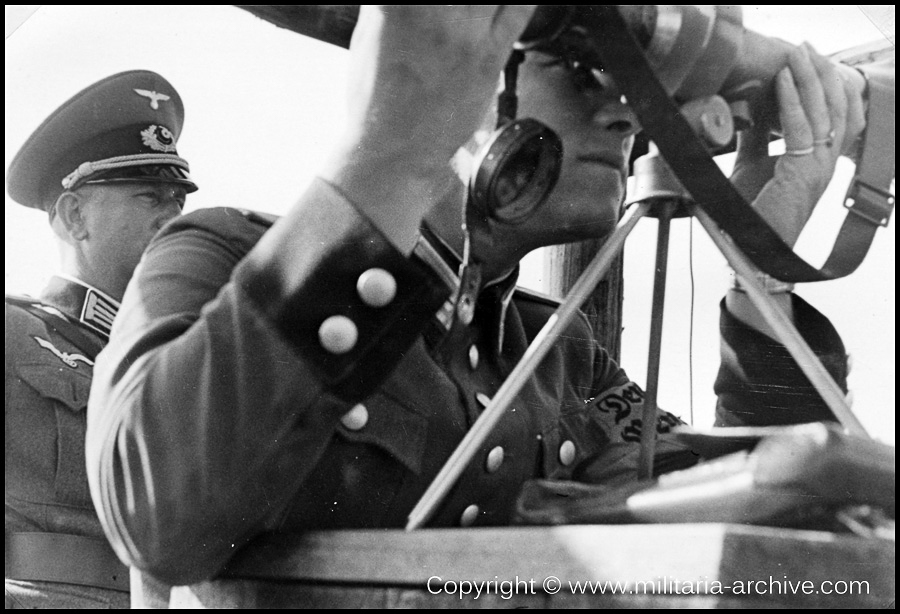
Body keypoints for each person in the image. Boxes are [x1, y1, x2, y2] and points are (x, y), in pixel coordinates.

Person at [85, 6, 868, 589]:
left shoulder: (559, 353)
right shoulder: (222, 255)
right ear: (462, 57)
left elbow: (774, 514)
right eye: (583, 66)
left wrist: (761, 278)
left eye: (638, 83)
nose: (625, 110)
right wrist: (389, 155)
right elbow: (154, 517)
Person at [5, 70, 196, 608]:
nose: (174, 219)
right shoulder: (13, 333)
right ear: (74, 215)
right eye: (149, 197)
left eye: (177, 202)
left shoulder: (184, 359)